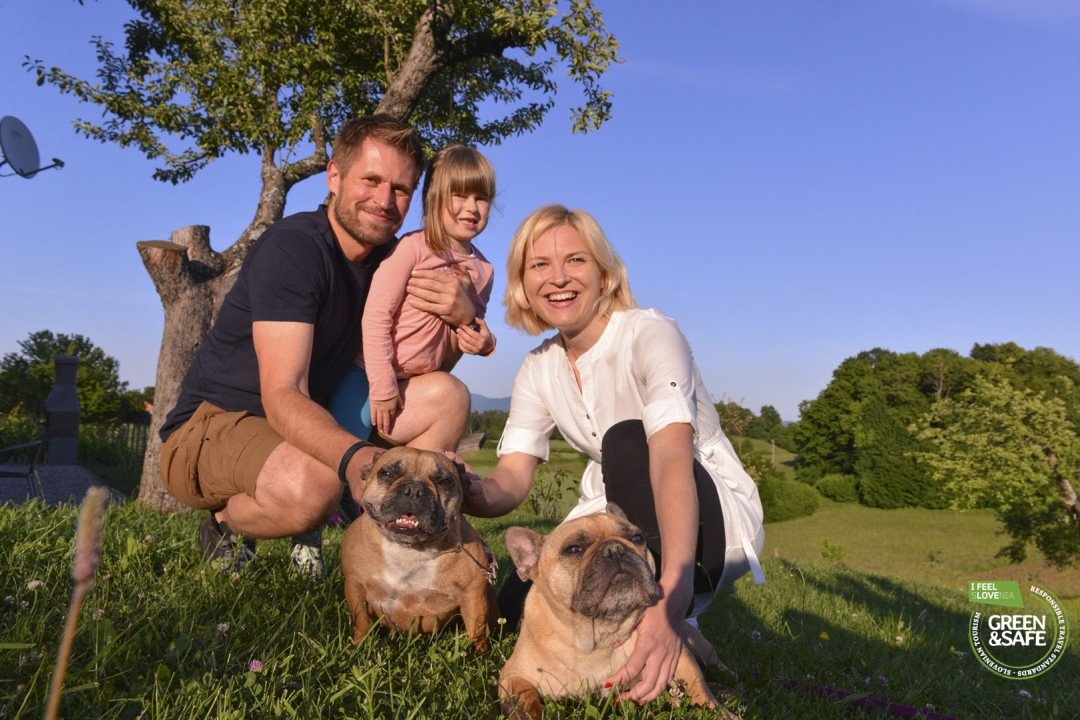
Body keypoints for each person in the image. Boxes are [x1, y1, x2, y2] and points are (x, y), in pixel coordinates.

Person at [462, 204, 766, 706]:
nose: (558, 278)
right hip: (614, 512)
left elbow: (669, 459)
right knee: (517, 605)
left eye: (575, 260)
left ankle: (677, 621)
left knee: (628, 440)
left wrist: (669, 604)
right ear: (522, 283)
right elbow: (512, 478)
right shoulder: (538, 369)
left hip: (705, 515)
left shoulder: (650, 334)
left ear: (605, 273)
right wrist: (464, 486)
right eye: (539, 265)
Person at [158, 115, 478, 578]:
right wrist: (354, 457)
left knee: (446, 395)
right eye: (371, 179)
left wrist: (460, 317)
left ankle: (390, 544)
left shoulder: (393, 260)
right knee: (313, 485)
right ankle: (224, 522)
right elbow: (283, 393)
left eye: (401, 189)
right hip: (216, 424)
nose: (385, 201)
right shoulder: (295, 249)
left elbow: (425, 364)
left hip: (313, 414)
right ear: (334, 176)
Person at [330, 145, 497, 441]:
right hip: (367, 375)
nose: (471, 208)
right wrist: (382, 388)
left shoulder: (484, 270)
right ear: (434, 197)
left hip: (417, 382)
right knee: (341, 455)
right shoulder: (412, 248)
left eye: (481, 198)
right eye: (459, 195)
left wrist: (484, 341)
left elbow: (470, 327)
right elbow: (376, 316)